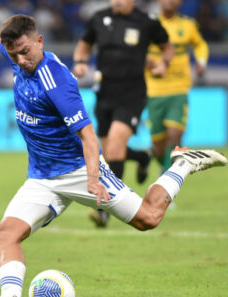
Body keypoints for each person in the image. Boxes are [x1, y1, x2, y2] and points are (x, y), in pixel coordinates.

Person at [0, 14, 227, 297]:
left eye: (25, 52)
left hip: (79, 170)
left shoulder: (56, 81)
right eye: (14, 53)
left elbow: (88, 136)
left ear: (39, 41)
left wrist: (94, 178)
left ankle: (182, 164)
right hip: (42, 177)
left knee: (148, 219)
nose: (20, 60)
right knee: (6, 234)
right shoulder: (17, 51)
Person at [72, 0, 174, 227]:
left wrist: (162, 64)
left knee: (116, 144)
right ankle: (141, 156)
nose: (116, 1)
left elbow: (168, 47)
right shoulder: (99, 18)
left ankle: (106, 208)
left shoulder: (146, 22)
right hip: (104, 94)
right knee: (107, 153)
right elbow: (84, 44)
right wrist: (80, 62)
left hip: (132, 95)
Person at [145, 0, 209, 177]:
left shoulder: (188, 25)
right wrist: (148, 63)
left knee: (174, 136)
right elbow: (138, 51)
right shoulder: (149, 25)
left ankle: (165, 180)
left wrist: (201, 61)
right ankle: (160, 163)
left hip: (179, 89)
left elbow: (200, 44)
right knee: (159, 146)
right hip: (154, 90)